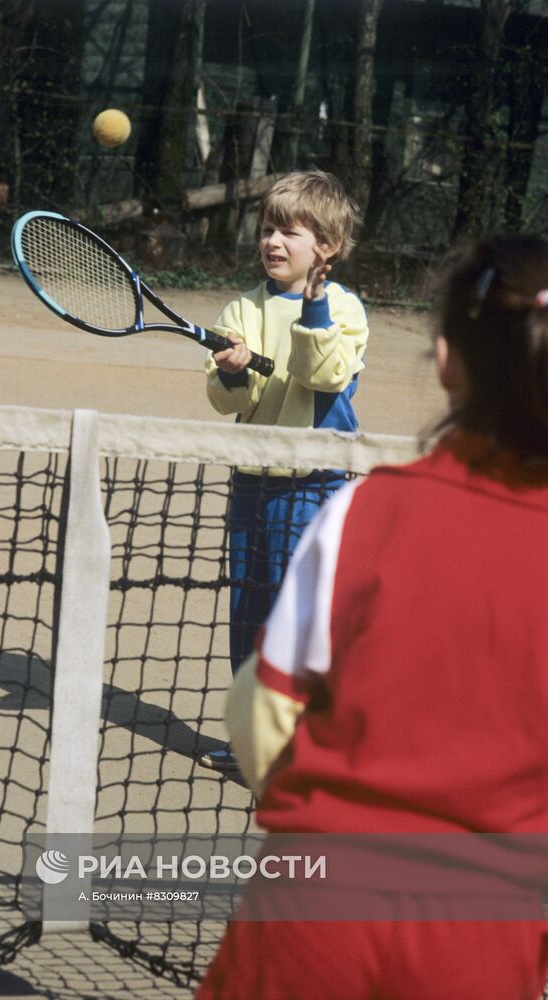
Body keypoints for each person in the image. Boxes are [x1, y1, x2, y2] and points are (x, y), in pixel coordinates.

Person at [196, 235, 548, 999]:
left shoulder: (364, 510)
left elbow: (263, 718)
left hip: (311, 910)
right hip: (486, 933)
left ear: (446, 361)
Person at [200, 170, 368, 772]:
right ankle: (254, 736)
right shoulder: (241, 309)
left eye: (289, 232)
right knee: (249, 610)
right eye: (268, 228)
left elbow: (323, 374)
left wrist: (313, 307)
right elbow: (225, 399)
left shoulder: (344, 309)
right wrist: (232, 371)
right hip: (253, 482)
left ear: (327, 246)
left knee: (301, 615)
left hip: (317, 483)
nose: (272, 241)